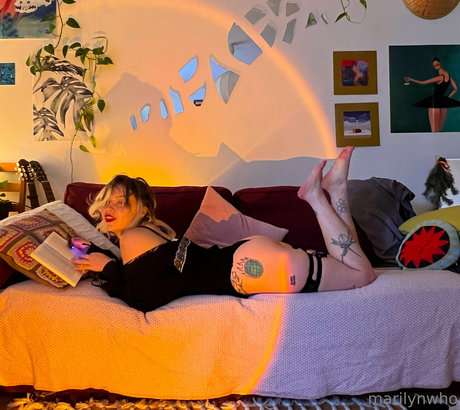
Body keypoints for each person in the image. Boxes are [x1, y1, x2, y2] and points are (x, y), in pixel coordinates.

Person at [72, 146, 376, 312]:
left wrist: (107, 267)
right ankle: (337, 191)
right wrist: (107, 261)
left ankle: (316, 198)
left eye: (121, 203)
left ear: (141, 210)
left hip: (247, 269)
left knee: (362, 275)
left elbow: (144, 298)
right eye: (107, 201)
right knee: (353, 267)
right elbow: (155, 276)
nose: (110, 208)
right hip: (251, 258)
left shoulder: (132, 236)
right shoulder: (158, 229)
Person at [405, 57, 460, 132]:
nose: (436, 66)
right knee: (438, 131)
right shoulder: (449, 76)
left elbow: (423, 82)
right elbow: (456, 88)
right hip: (443, 104)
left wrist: (411, 79)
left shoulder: (440, 77)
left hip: (435, 104)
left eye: (437, 64)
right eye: (435, 65)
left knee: (434, 131)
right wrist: (448, 98)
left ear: (440, 63)